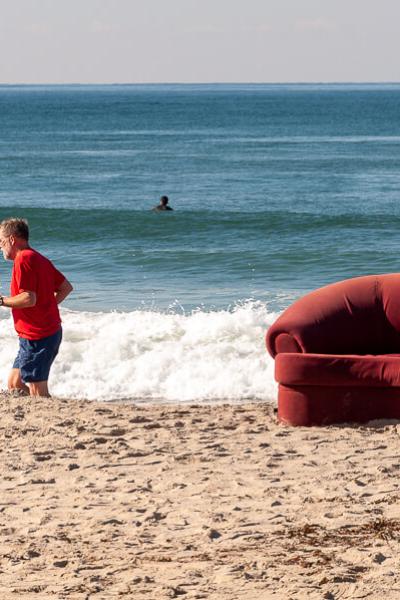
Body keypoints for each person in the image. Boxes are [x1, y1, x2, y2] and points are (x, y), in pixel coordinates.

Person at [0, 218, 73, 397]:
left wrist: (2, 301)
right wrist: (46, 308)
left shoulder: (23, 258)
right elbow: (66, 288)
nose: (0, 247)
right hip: (36, 334)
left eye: (1, 242)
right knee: (14, 384)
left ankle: (53, 418)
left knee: (38, 391)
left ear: (12, 239)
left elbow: (28, 298)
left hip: (39, 336)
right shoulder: (38, 258)